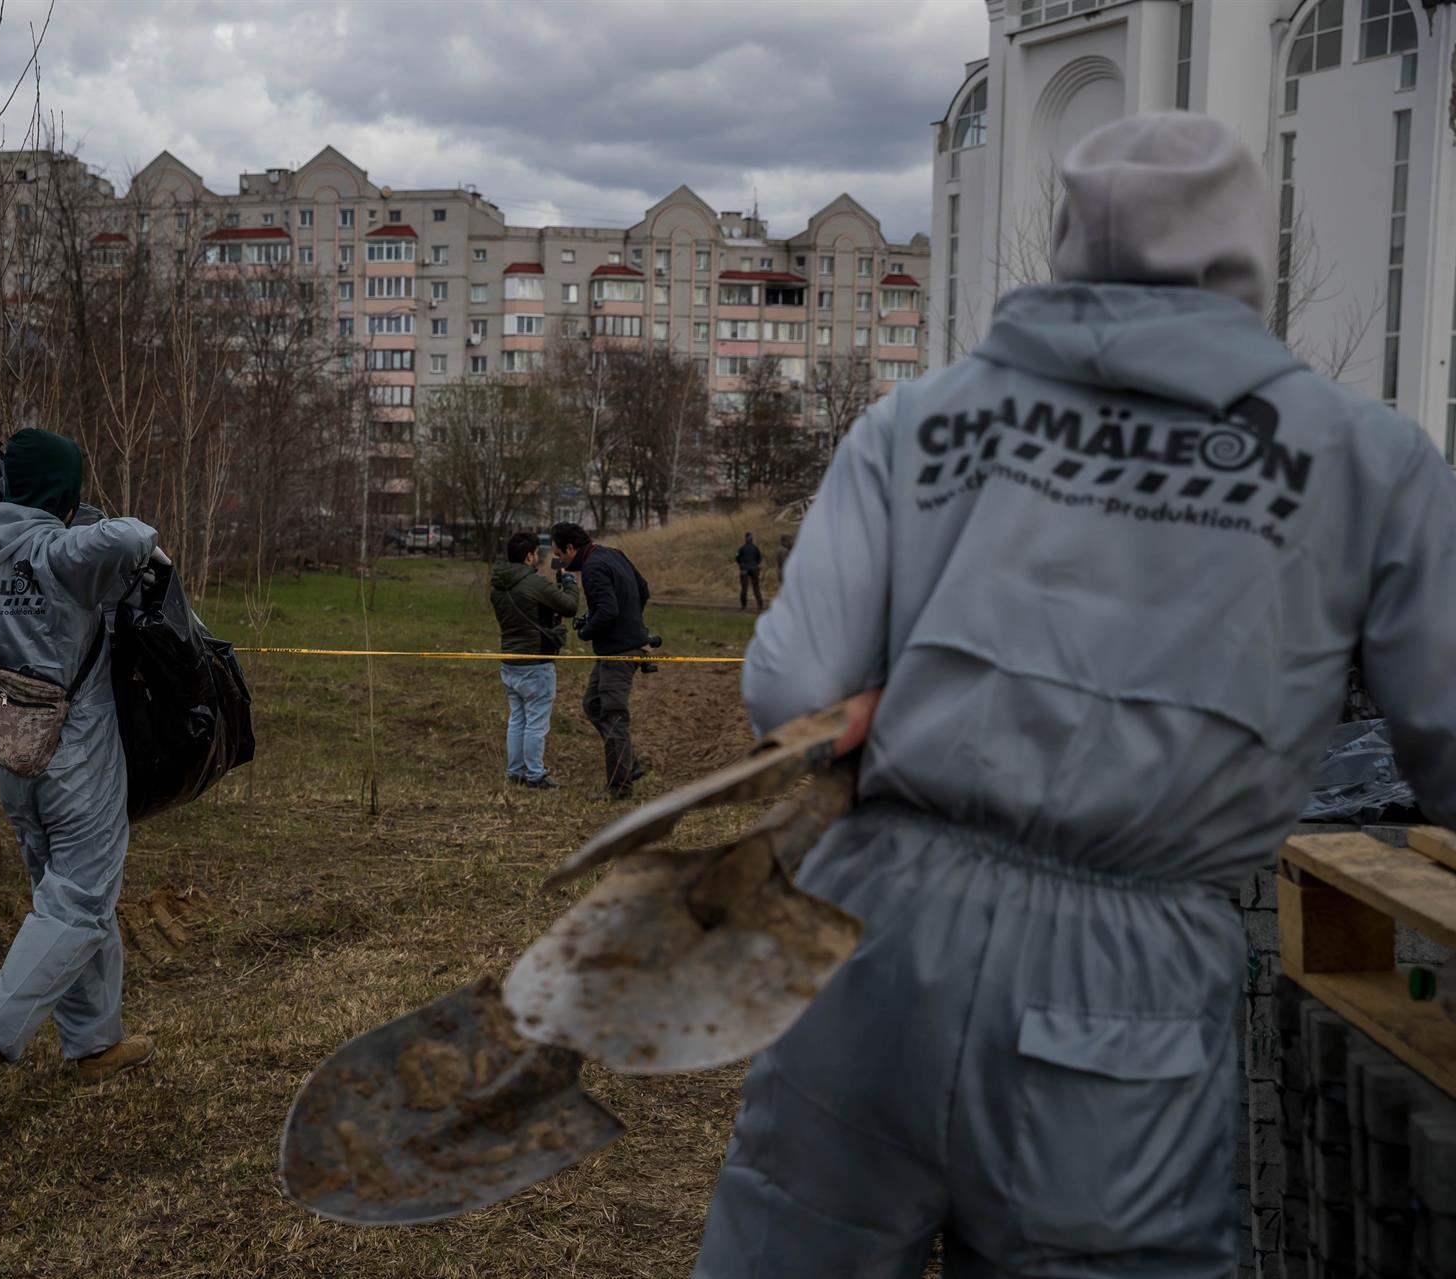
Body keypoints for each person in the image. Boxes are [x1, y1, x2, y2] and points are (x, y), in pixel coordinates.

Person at [693, 113, 1456, 1278]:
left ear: (1065, 242)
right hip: (1119, 985)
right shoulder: (1369, 457)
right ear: (1254, 251)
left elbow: (794, 687)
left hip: (865, 935)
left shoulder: (917, 418)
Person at [0, 421, 166, 1126]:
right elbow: (132, 537)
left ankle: (92, 1042)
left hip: (12, 750)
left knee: (66, 896)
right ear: (65, 493)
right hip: (77, 754)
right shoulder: (66, 551)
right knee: (79, 900)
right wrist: (113, 525)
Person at [550, 522, 651, 800]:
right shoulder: (613, 554)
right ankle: (630, 764)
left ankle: (619, 788)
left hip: (619, 652)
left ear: (571, 548)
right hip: (620, 646)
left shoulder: (593, 567)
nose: (560, 560)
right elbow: (644, 589)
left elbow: (607, 610)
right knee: (593, 705)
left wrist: (586, 631)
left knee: (613, 714)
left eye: (560, 553)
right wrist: (632, 623)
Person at [489, 530, 579, 789]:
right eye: (537, 555)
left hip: (510, 660)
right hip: (536, 663)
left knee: (517, 718)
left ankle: (514, 771)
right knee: (537, 722)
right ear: (529, 556)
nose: (539, 559)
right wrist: (570, 583)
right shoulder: (534, 583)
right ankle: (535, 774)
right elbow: (569, 606)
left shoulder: (498, 586)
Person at [735, 532, 764, 610]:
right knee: (756, 587)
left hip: (744, 569)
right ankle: (760, 604)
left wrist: (741, 564)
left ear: (745, 539)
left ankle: (744, 605)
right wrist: (755, 564)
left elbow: (737, 558)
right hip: (754, 569)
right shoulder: (755, 548)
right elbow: (759, 558)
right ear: (752, 539)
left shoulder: (742, 548)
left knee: (744, 587)